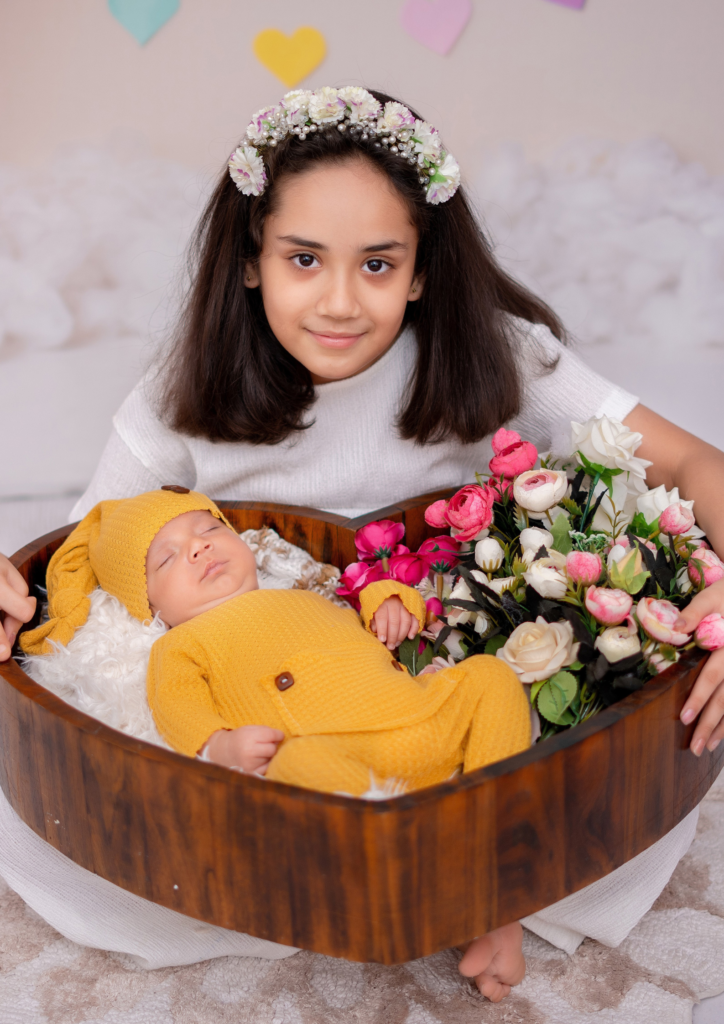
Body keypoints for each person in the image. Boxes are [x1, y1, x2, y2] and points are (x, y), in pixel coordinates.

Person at [0, 85, 719, 977]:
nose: (340, 302)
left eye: (377, 265)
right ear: (252, 258)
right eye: (305, 259)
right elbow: (81, 548)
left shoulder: (499, 353)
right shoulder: (179, 393)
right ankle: (385, 875)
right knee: (77, 821)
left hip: (429, 685)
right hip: (289, 718)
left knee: (618, 778)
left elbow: (693, 465)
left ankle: (482, 877)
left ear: (421, 271)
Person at [20, 488, 532, 796]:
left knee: (490, 677)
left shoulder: (302, 591)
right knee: (292, 767)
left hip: (419, 717)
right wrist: (217, 745)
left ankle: (490, 821)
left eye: (207, 530)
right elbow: (175, 703)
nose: (198, 548)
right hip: (338, 754)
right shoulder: (179, 645)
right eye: (168, 559)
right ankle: (407, 852)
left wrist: (393, 604)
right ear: (149, 607)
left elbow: (362, 614)